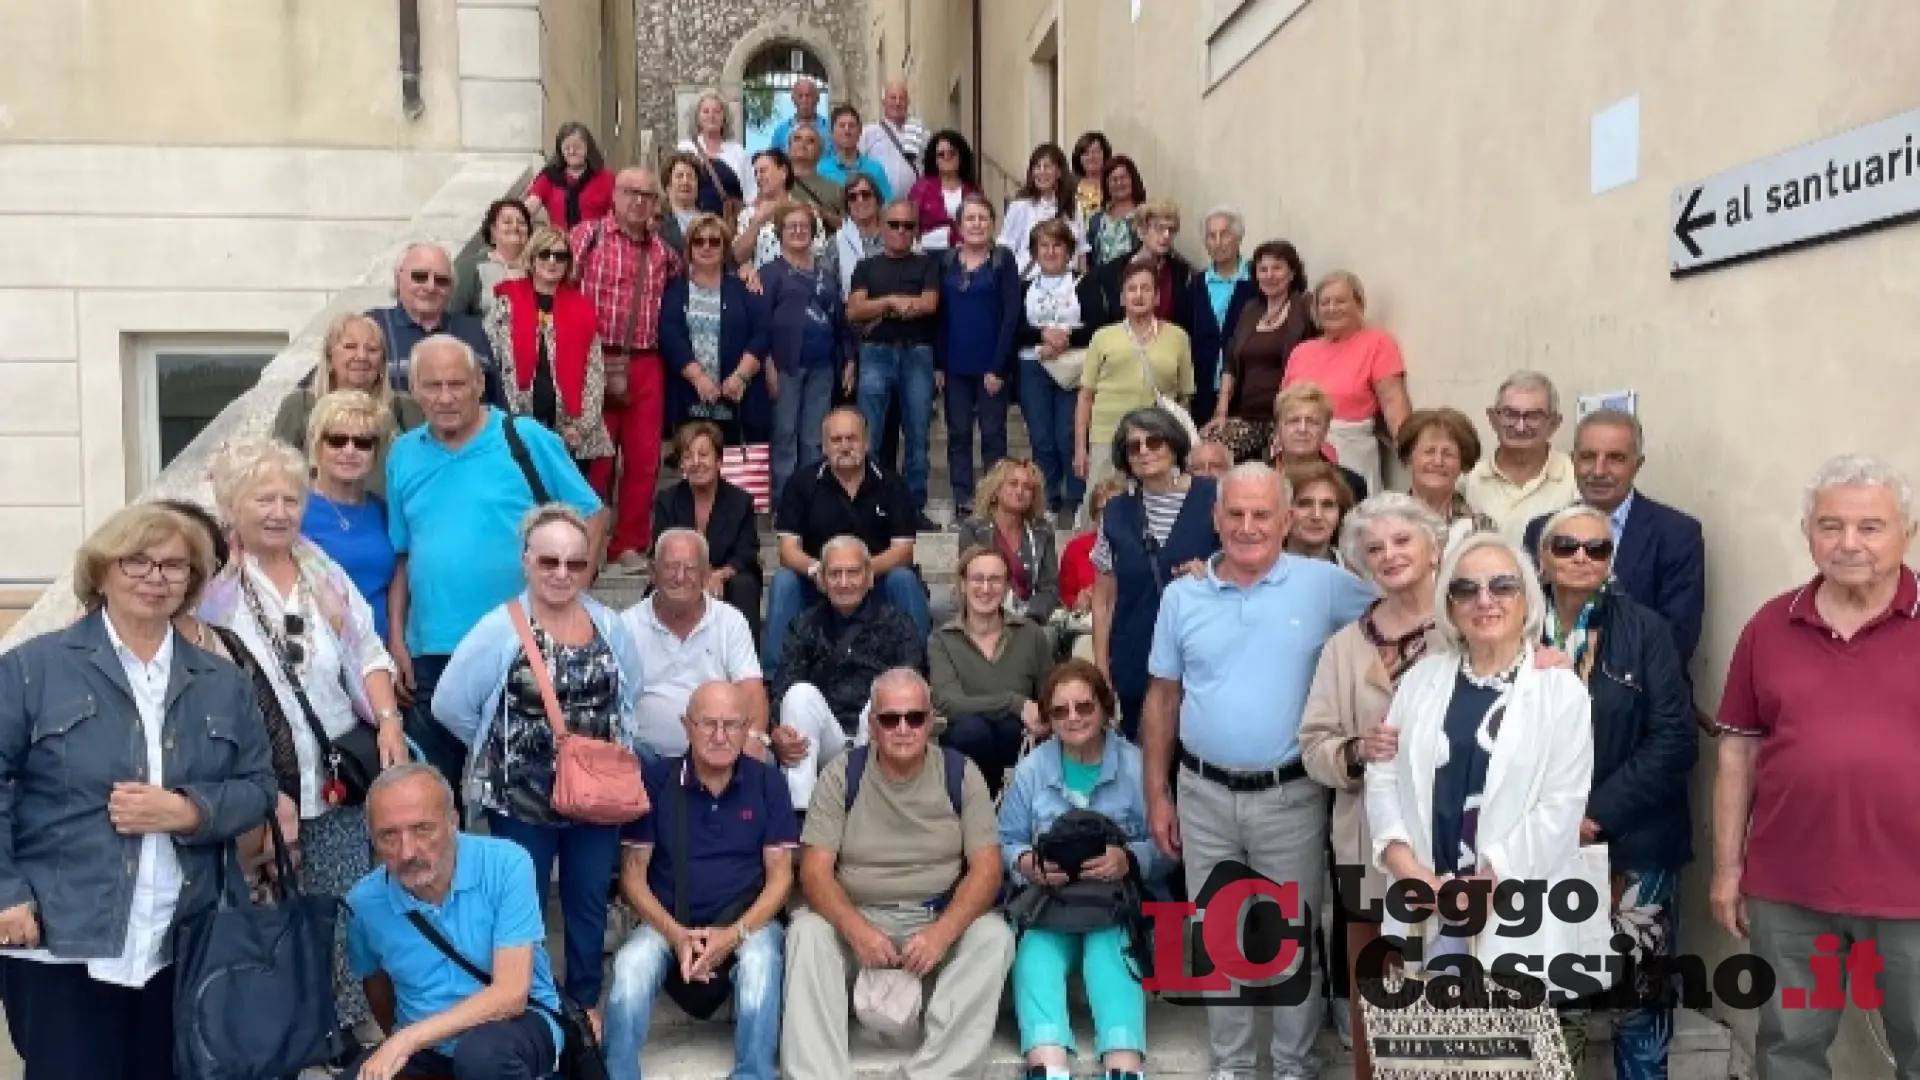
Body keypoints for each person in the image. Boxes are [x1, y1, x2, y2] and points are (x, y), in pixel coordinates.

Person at [0, 503, 277, 1080]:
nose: (156, 578)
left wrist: (188, 811)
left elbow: (259, 788)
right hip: (63, 934)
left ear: (192, 583)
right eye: (138, 562)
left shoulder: (221, 681)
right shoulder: (33, 668)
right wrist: (7, 892)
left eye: (175, 567)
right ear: (102, 572)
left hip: (182, 941)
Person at [1141, 462, 1377, 1080]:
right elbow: (1162, 698)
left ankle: (1293, 1065)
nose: (1248, 527)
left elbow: (1405, 610)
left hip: (1290, 794)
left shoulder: (1323, 585)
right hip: (1200, 791)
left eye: (1262, 514)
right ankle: (1233, 1068)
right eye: (1236, 515)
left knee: (1289, 939)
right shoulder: (1181, 595)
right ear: (1216, 520)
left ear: (1287, 520)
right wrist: (1157, 796)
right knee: (1217, 936)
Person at [196, 434, 408, 1049]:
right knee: (268, 906)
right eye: (263, 498)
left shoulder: (324, 570)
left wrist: (390, 721)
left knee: (341, 903)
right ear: (233, 503)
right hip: (256, 772)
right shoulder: (213, 588)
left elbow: (366, 651)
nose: (279, 511)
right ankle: (281, 1026)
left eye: (291, 498)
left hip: (335, 765)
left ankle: (341, 1022)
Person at [1713, 453, 1920, 1080]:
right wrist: (1728, 869)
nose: (1848, 543)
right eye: (1830, 526)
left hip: (1912, 891)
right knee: (1789, 1051)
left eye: (1870, 527)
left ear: (1905, 532)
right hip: (1791, 892)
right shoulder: (1769, 626)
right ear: (1807, 533)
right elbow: (1737, 750)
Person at [1364, 531, 1595, 1040]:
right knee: (1429, 1060)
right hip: (1428, 901)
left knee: (1506, 1059)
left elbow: (1561, 806)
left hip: (1510, 906)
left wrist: (1489, 885)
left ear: (1526, 597)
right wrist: (1405, 865)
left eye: (1502, 586)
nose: (1484, 600)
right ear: (1449, 604)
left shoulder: (1559, 691)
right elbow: (1382, 772)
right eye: (1465, 589)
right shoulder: (1423, 679)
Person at [432, 504, 645, 1015]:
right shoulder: (498, 629)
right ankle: (539, 1009)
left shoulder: (610, 626)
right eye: (549, 562)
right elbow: (450, 705)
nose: (562, 574)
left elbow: (630, 694)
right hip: (521, 799)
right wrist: (508, 749)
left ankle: (586, 1004)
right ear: (526, 561)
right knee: (521, 907)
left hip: (597, 796)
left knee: (589, 900)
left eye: (575, 564)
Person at [386, 336, 606, 815]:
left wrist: (572, 590)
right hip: (433, 648)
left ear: (479, 384)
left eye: (456, 384)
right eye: (433, 386)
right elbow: (403, 556)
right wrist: (397, 640)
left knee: (524, 795)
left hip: (519, 642)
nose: (445, 397)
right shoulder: (402, 455)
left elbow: (591, 512)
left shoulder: (523, 439)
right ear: (414, 391)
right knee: (436, 793)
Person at [783, 668, 1014, 1080]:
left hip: (934, 921)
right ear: (872, 726)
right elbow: (815, 872)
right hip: (858, 918)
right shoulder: (842, 775)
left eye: (914, 717)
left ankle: (936, 1075)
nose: (903, 728)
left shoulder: (962, 775)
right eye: (890, 719)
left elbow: (987, 869)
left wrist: (941, 934)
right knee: (807, 933)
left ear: (931, 722)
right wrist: (857, 930)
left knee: (993, 936)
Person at [1535, 503, 1696, 1080]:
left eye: (1597, 548)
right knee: (1556, 996)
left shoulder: (1647, 630)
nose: (1581, 557)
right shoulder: (1515, 629)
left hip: (1634, 845)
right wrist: (1551, 820)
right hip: (1540, 848)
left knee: (1638, 1001)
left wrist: (1595, 814)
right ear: (1543, 557)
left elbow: (1675, 740)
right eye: (1567, 546)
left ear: (1612, 560)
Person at [1300, 493, 1451, 1080]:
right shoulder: (1344, 647)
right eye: (1375, 548)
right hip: (1366, 850)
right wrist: (1358, 751)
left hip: (1449, 851)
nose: (1389, 555)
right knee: (1378, 998)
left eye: (1402, 541)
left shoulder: (1468, 627)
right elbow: (1314, 744)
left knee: (1451, 999)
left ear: (1433, 546)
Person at [603, 682, 795, 1080]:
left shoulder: (768, 783)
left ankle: (753, 1074)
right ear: (686, 725)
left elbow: (780, 878)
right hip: (668, 921)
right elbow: (633, 876)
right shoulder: (656, 781)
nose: (721, 736)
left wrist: (734, 934)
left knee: (761, 962)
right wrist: (676, 935)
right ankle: (617, 1074)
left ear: (747, 730)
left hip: (747, 923)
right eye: (708, 724)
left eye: (732, 725)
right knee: (631, 965)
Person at [342, 764, 567, 1080]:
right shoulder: (363, 903)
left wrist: (404, 1040)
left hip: (517, 1028)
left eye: (422, 829)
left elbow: (511, 994)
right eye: (388, 835)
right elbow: (376, 986)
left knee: (482, 1056)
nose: (407, 852)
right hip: (428, 1048)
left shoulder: (506, 864)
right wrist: (400, 1040)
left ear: (452, 822)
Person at [999, 659, 1166, 1080]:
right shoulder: (1031, 771)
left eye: (1084, 707)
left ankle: (1123, 1066)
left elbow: (1170, 847)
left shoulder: (1137, 767)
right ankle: (1048, 1066)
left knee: (1110, 950)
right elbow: (1005, 840)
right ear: (1048, 718)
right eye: (1060, 711)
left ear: (1105, 708)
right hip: (1051, 905)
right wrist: (1027, 864)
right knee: (1034, 953)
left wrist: (1129, 860)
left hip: (1113, 906)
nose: (1073, 718)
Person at [1521, 407, 1706, 668]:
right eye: (1588, 457)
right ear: (1573, 460)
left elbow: (1676, 640)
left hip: (1641, 695)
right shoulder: (1542, 530)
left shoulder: (1676, 534)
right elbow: (1525, 621)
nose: (1598, 470)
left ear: (1637, 464)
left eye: (1615, 458)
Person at [568, 166, 685, 572]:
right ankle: (587, 541)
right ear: (614, 195)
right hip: (595, 359)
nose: (638, 201)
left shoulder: (664, 254)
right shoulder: (587, 236)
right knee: (596, 454)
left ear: (656, 204)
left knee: (644, 457)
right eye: (630, 192)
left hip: (646, 361)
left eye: (647, 195)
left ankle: (629, 543)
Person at [768, 537, 926, 809]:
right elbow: (783, 687)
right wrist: (777, 730)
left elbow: (912, 681)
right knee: (798, 694)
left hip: (877, 737)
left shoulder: (896, 623)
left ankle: (871, 808)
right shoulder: (805, 624)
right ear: (822, 579)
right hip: (824, 738)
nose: (844, 582)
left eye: (853, 573)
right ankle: (801, 813)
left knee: (889, 693)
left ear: (869, 577)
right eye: (835, 573)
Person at [1091, 409, 1221, 737]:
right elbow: (1103, 600)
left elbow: (1248, 563)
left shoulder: (1215, 496)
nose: (1145, 451)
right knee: (1142, 761)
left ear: (1173, 444)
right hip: (1136, 657)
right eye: (1134, 447)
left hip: (1203, 658)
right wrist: (1101, 670)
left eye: (1154, 441)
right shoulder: (1116, 513)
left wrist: (1214, 571)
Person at [621, 526, 767, 758]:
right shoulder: (626, 625)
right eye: (670, 567)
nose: (680, 577)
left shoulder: (730, 621)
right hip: (645, 757)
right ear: (652, 571)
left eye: (690, 568)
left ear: (706, 575)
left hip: (720, 753)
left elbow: (751, 691)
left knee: (763, 765)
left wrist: (754, 738)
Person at [485, 224, 615, 477]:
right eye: (545, 254)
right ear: (532, 258)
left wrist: (580, 427)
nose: (552, 261)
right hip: (517, 426)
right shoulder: (506, 302)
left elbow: (594, 372)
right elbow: (494, 362)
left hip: (570, 432)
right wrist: (506, 422)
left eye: (560, 256)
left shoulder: (582, 309)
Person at [930, 545, 1054, 796]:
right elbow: (948, 703)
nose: (985, 589)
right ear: (963, 584)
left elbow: (1050, 696)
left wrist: (1043, 717)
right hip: (964, 749)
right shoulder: (943, 639)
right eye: (977, 579)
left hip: (1019, 744)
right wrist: (1013, 703)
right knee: (972, 730)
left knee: (1009, 728)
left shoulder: (1030, 634)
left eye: (995, 580)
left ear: (1008, 586)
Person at [848, 198, 941, 526]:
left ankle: (913, 507)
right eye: (895, 224)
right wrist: (891, 302)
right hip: (876, 354)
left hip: (917, 353)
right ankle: (867, 505)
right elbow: (854, 311)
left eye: (908, 225)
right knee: (869, 435)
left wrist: (879, 308)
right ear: (882, 226)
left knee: (917, 436)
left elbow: (929, 304)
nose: (901, 231)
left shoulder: (927, 265)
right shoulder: (866, 266)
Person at [1280, 271, 1412, 496]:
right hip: (1300, 451)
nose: (1332, 308)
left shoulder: (1377, 342)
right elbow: (1284, 408)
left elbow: (1393, 402)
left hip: (1352, 451)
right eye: (1325, 302)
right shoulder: (1301, 351)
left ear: (1359, 305)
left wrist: (1411, 451)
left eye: (1340, 301)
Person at [1074, 262, 1196, 503]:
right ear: (1122, 298)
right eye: (1132, 289)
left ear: (1157, 296)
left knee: (1156, 502)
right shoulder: (1102, 337)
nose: (1139, 295)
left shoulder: (1178, 337)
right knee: (1100, 505)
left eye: (1146, 288)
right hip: (1107, 435)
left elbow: (1185, 395)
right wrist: (1080, 448)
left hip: (1158, 439)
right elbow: (1085, 395)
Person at [760, 202, 855, 502]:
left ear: (813, 233)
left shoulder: (826, 274)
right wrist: (767, 366)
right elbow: (761, 324)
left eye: (804, 226)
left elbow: (841, 321)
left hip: (823, 367)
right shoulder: (770, 273)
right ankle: (784, 503)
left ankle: (811, 501)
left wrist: (850, 359)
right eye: (792, 226)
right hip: (786, 365)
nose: (799, 231)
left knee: (814, 439)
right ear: (780, 233)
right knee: (785, 435)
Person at [273, 311, 426, 495]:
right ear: (330, 357)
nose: (361, 356)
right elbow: (276, 475)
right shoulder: (299, 405)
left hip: (384, 519)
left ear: (382, 362)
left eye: (372, 349)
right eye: (350, 346)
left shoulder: (405, 409)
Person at [936, 195, 1023, 516]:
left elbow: (1012, 314)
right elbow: (940, 315)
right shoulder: (945, 261)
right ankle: (962, 498)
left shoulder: (1003, 260)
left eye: (982, 218)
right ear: (959, 226)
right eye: (969, 219)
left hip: (991, 366)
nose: (976, 224)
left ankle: (992, 497)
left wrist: (998, 367)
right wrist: (939, 363)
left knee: (993, 435)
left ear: (992, 224)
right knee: (958, 434)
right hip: (955, 366)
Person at [660, 212, 772, 448]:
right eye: (699, 241)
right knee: (695, 464)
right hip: (690, 397)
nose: (706, 246)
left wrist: (741, 376)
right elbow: (670, 336)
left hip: (739, 399)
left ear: (724, 248)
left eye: (714, 241)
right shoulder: (676, 290)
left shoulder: (744, 287)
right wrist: (698, 378)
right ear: (689, 248)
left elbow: (762, 333)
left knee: (736, 475)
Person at [1016, 218, 1099, 525]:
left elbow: (1096, 325)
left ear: (1069, 251)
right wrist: (1042, 336)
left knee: (1069, 433)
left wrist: (1064, 339)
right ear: (1035, 252)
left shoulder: (1083, 282)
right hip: (1032, 366)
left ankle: (1075, 498)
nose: (1050, 252)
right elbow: (1015, 327)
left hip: (1072, 368)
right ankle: (1048, 498)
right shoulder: (1024, 285)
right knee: (1041, 436)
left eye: (1057, 245)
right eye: (1044, 246)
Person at [649, 421, 764, 640]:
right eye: (688, 456)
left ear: (719, 460)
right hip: (681, 571)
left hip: (728, 576)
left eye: (703, 455)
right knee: (655, 590)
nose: (696, 463)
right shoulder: (668, 500)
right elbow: (660, 547)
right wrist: (694, 575)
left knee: (744, 585)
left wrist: (719, 575)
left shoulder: (740, 501)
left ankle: (746, 665)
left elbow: (746, 552)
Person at [301, 390, 401, 641]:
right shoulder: (292, 508)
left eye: (363, 442)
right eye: (336, 440)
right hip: (316, 654)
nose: (349, 450)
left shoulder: (383, 511)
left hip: (379, 655)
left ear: (376, 452)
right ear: (317, 444)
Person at [1210, 239, 1315, 462]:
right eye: (1262, 269)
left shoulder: (1304, 307)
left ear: (1292, 272)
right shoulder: (1251, 309)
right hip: (1246, 415)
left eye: (1277, 268)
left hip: (1284, 417)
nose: (1270, 275)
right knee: (1208, 451)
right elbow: (1230, 363)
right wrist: (1221, 413)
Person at [368, 241, 504, 406]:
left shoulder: (473, 330)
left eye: (442, 280)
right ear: (398, 279)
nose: (431, 286)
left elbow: (495, 400)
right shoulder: (374, 326)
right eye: (419, 277)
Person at [1461, 370, 1581, 543]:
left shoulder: (1575, 479)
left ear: (1554, 423)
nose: (1520, 426)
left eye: (1533, 416)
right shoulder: (1469, 480)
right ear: (1493, 419)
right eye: (1510, 414)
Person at [956, 456, 1062, 622]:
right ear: (996, 490)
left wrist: (1030, 617)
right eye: (1013, 484)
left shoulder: (1042, 531)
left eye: (1027, 487)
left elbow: (1049, 588)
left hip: (1031, 620)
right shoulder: (974, 529)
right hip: (984, 615)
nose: (1020, 491)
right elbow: (971, 581)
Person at [1188, 208, 1257, 431]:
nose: (1218, 242)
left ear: (1238, 237)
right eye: (1211, 236)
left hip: (1247, 390)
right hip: (1204, 389)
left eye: (1224, 234)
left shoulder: (1257, 281)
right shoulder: (1196, 285)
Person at [1085, 199, 1195, 334]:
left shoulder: (1181, 273)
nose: (1166, 236)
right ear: (1141, 231)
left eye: (1171, 230)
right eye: (1159, 228)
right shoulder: (1111, 272)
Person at [1396, 406, 1496, 549]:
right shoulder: (1386, 519)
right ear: (1409, 458)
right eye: (1429, 452)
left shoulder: (1480, 526)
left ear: (1463, 463)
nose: (1438, 461)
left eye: (1448, 454)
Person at [734, 150, 832, 272]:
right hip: (763, 286)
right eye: (756, 173)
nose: (758, 177)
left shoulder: (807, 211)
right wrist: (757, 222)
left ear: (784, 172)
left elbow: (820, 254)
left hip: (802, 283)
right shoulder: (748, 214)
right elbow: (738, 257)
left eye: (763, 171)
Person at [1271, 381, 1369, 501]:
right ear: (1278, 428)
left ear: (1325, 429)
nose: (1302, 429)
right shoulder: (1253, 479)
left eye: (1312, 422)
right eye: (1293, 421)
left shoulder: (1351, 484)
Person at [998, 143, 1084, 278]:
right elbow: (1005, 250)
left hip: (1066, 285)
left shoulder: (1073, 206)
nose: (1041, 171)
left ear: (1059, 172)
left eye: (1047, 166)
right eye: (1037, 166)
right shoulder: (1020, 206)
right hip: (1030, 282)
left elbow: (1081, 250)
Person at [451, 198, 532, 318]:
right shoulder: (469, 269)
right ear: (493, 231)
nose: (515, 226)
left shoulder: (539, 267)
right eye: (507, 222)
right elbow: (454, 317)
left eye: (522, 223)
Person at [526, 120, 614, 231]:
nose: (572, 151)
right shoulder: (548, 178)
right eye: (567, 148)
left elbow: (616, 215)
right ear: (560, 150)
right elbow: (529, 207)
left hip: (596, 244)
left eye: (577, 147)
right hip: (559, 244)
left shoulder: (606, 179)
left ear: (588, 148)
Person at [1060, 475, 1126, 619]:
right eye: (1103, 510)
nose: (1110, 515)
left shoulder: (1143, 546)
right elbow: (1065, 597)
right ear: (1095, 515)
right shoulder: (1076, 547)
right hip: (1087, 623)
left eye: (1117, 508)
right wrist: (1078, 601)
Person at [676, 92, 751, 213]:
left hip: (729, 223)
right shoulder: (686, 149)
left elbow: (749, 194)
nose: (711, 116)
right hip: (693, 220)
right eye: (706, 111)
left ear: (724, 117)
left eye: (717, 112)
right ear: (698, 117)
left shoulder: (739, 153)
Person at [906, 129, 978, 252]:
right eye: (941, 154)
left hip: (965, 254)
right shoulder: (921, 188)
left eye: (952, 153)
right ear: (935, 159)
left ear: (961, 156)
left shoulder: (972, 189)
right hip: (928, 255)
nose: (946, 157)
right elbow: (910, 224)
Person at [861, 80, 929, 202]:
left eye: (901, 98)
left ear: (908, 102)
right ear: (884, 102)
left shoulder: (922, 132)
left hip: (913, 203)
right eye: (893, 98)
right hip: (880, 204)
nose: (897, 103)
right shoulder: (868, 133)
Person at [1284, 459, 1355, 565]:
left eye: (1328, 505)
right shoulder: (1258, 571)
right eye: (1304, 504)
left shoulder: (1356, 573)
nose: (1317, 515)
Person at [818, 104, 893, 203]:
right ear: (832, 132)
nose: (847, 131)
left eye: (851, 126)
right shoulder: (821, 169)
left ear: (860, 131)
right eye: (842, 126)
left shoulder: (875, 169)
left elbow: (887, 205)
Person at [1084, 156, 1146, 269]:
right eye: (1114, 179)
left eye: (1123, 178)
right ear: (1106, 185)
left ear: (1133, 180)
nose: (1119, 183)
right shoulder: (1096, 221)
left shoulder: (1145, 217)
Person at [833, 172, 887, 295]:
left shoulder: (898, 232)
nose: (860, 200)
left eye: (866, 194)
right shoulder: (835, 242)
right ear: (847, 204)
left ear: (877, 199)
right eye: (852, 197)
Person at [785, 126, 848, 224]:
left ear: (820, 152)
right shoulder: (775, 184)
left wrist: (823, 214)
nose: (803, 144)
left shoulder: (836, 189)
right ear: (788, 149)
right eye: (797, 139)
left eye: (810, 141)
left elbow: (848, 228)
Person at [657, 153, 707, 257]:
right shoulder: (658, 220)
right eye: (680, 176)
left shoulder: (709, 221)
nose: (685, 182)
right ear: (668, 186)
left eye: (690, 177)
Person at [768, 76, 824, 154]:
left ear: (817, 99)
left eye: (808, 95)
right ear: (793, 99)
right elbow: (773, 160)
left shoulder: (830, 129)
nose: (804, 100)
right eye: (800, 96)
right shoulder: (781, 131)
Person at [1069, 132, 1112, 221]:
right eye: (1086, 153)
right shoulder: (1070, 184)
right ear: (1079, 158)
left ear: (1105, 155)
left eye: (1096, 152)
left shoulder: (1113, 182)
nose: (1091, 157)